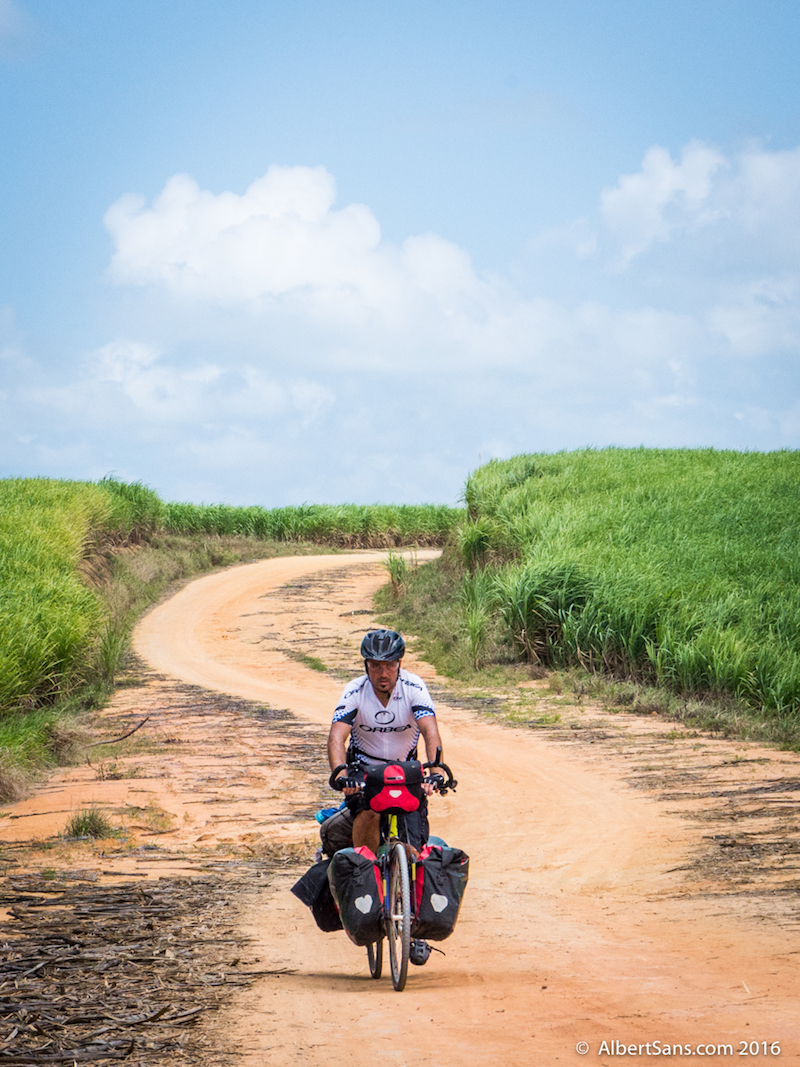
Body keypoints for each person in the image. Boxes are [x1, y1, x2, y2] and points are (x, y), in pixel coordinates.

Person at [327, 629, 443, 857]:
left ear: (399, 664)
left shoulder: (414, 687)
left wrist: (436, 773)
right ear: (366, 665)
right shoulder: (354, 690)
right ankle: (364, 868)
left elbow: (430, 731)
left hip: (406, 771)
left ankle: (404, 873)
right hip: (364, 771)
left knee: (414, 853)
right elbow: (336, 737)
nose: (383, 673)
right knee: (369, 811)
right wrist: (341, 775)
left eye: (390, 665)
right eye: (375, 666)